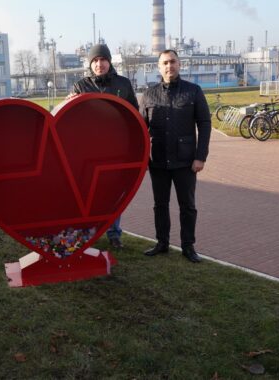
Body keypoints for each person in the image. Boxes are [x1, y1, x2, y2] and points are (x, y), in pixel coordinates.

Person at [139, 49, 211, 263]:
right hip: (158, 161)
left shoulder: (193, 91)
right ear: (158, 67)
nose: (169, 66)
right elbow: (141, 130)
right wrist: (143, 160)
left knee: (187, 206)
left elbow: (205, 124)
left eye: (173, 62)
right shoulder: (149, 95)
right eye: (164, 63)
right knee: (160, 204)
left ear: (180, 65)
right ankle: (162, 243)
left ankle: (188, 246)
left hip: (186, 161)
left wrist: (201, 156)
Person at [67, 43, 139, 249]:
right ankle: (85, 233)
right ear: (90, 64)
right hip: (87, 151)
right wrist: (68, 102)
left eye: (103, 60)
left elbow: (134, 115)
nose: (100, 64)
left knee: (113, 193)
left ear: (109, 61)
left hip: (115, 149)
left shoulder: (123, 84)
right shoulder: (81, 86)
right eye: (95, 60)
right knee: (86, 192)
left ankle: (114, 233)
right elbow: (70, 119)